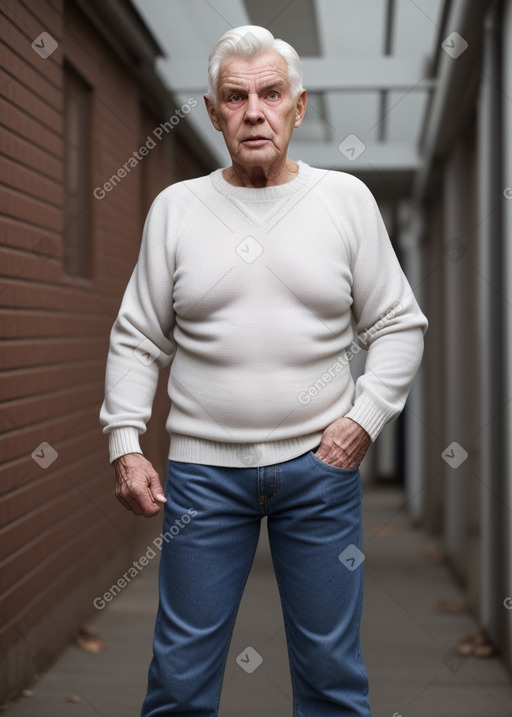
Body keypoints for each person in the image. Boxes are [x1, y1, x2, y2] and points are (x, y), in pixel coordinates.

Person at [100, 24, 428, 717]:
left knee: (332, 680)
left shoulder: (344, 201)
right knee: (180, 681)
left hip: (320, 472)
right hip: (202, 478)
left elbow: (398, 323)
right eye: (237, 97)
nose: (255, 111)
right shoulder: (177, 210)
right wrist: (125, 444)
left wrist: (363, 420)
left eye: (271, 94)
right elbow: (137, 337)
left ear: (298, 107)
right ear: (215, 110)